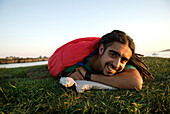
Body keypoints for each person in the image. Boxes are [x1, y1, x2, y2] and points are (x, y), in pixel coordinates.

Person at [48, 30, 153, 90]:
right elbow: (58, 65)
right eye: (112, 54)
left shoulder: (123, 62)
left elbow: (135, 82)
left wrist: (88, 76)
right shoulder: (77, 61)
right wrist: (70, 73)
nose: (117, 64)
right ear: (101, 49)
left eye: (123, 60)